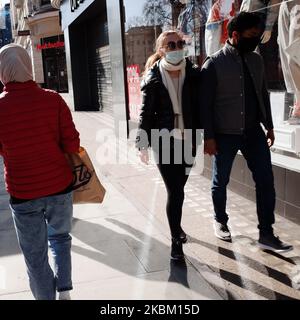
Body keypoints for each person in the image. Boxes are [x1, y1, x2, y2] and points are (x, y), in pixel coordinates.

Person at [200, 12, 293, 252]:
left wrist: (270, 126)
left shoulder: (257, 60)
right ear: (234, 35)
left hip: (253, 132)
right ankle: (220, 221)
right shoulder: (213, 64)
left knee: (265, 180)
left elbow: (262, 94)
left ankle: (266, 233)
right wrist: (208, 137)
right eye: (251, 36)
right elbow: (205, 105)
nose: (255, 40)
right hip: (224, 133)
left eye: (258, 36)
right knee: (221, 181)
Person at [0, 44, 80, 299]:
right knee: (60, 238)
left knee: (34, 255)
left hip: (23, 192)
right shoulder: (53, 99)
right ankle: (65, 289)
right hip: (59, 185)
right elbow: (72, 143)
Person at [136, 30, 201, 260]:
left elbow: (201, 108)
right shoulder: (153, 77)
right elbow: (146, 113)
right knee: (174, 190)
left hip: (189, 140)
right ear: (161, 50)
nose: (176, 47)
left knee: (180, 190)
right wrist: (142, 142)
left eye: (180, 43)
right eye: (170, 45)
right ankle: (176, 242)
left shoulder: (193, 73)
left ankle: (177, 228)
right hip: (163, 141)